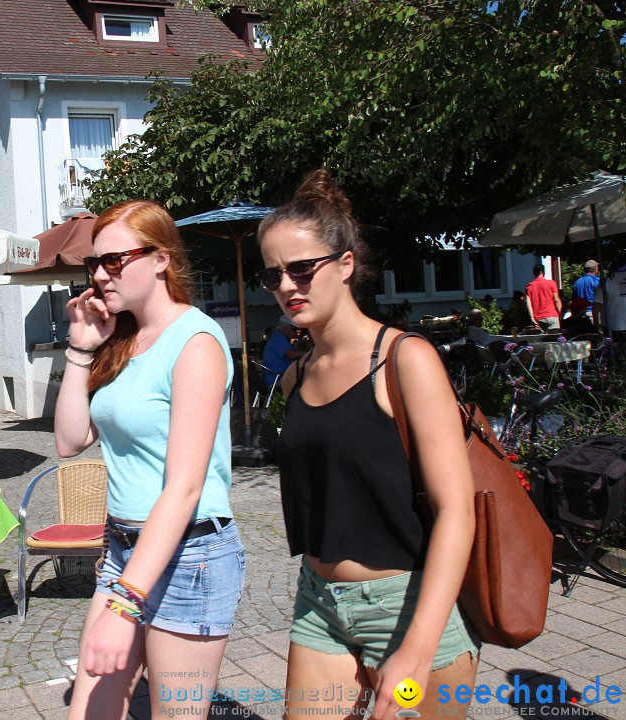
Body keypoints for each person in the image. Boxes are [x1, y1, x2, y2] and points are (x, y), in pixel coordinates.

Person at [257, 170, 478, 720]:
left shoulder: (405, 360)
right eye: (274, 275)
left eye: (302, 268)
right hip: (320, 605)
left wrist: (417, 651)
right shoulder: (295, 376)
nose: (287, 286)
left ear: (345, 265)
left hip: (406, 610)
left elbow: (457, 509)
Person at [55, 199, 243, 720]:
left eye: (113, 260)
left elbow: (184, 488)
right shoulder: (123, 341)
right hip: (122, 548)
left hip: (191, 555)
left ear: (161, 259)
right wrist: (80, 348)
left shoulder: (196, 342)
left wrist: (124, 604)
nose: (99, 274)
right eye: (94, 263)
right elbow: (70, 441)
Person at [262, 315, 307, 388]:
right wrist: (311, 352)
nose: (296, 331)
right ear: (284, 327)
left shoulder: (281, 337)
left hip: (279, 375)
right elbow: (291, 354)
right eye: (294, 329)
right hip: (276, 379)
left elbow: (293, 352)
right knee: (308, 377)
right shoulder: (278, 337)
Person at [525, 263, 562, 332]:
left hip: (538, 318)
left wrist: (532, 318)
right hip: (552, 316)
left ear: (534, 273)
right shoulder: (551, 283)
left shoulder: (529, 287)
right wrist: (560, 314)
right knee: (554, 340)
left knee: (541, 341)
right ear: (542, 272)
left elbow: (528, 304)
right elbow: (556, 300)